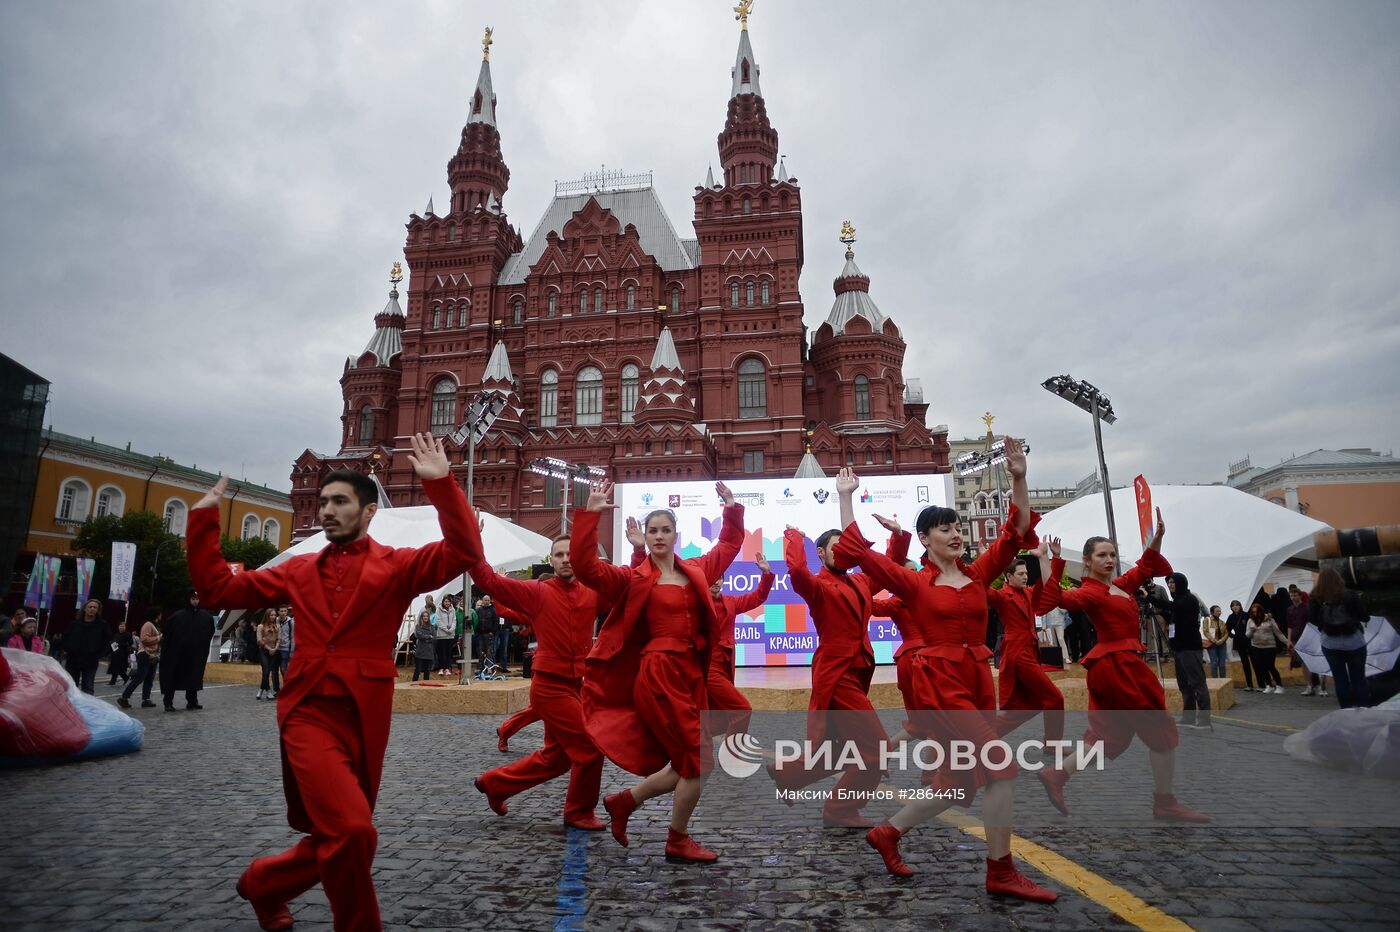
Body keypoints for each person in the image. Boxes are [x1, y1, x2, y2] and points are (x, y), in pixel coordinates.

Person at [185, 433, 471, 932]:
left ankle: (265, 884)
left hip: (365, 714)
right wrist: (205, 518)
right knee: (352, 829)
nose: (328, 511)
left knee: (350, 836)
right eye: (323, 503)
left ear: (368, 512)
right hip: (308, 711)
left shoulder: (398, 566)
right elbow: (217, 589)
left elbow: (464, 551)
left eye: (341, 501)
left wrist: (442, 484)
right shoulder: (298, 570)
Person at [836, 445, 1059, 903]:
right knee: (1002, 766)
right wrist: (846, 498)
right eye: (945, 528)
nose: (956, 534)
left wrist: (1019, 476)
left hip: (978, 676)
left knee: (959, 782)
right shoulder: (912, 582)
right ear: (925, 539)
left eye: (957, 527)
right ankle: (1001, 870)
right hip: (939, 682)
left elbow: (1017, 532)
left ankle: (889, 832)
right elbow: (860, 554)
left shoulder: (978, 575)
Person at [573, 480, 743, 863]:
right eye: (653, 531)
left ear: (676, 534)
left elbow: (729, 545)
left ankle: (624, 802)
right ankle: (676, 839)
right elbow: (586, 568)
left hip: (690, 674)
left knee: (688, 763)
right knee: (699, 761)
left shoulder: (696, 569)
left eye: (666, 530)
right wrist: (591, 514)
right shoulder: (634, 579)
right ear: (645, 537)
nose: (660, 536)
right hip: (658, 674)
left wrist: (731, 508)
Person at [1036, 512, 1209, 825]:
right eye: (1102, 555)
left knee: (1109, 736)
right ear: (1087, 562)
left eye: (1113, 554)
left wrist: (1157, 537)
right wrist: (1052, 562)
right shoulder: (1090, 592)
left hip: (1114, 667)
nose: (1109, 559)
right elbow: (1050, 601)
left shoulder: (1119, 585)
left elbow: (1145, 565)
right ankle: (1165, 802)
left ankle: (1057, 775)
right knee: (1161, 731)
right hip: (1120, 667)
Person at [470, 526, 614, 831]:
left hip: (577, 686)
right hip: (550, 689)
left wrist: (639, 550)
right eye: (559, 555)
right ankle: (578, 812)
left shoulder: (592, 592)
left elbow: (627, 587)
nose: (565, 559)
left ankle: (495, 784)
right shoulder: (537, 591)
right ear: (550, 559)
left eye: (569, 554)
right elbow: (488, 580)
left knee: (557, 758)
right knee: (590, 750)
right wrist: (472, 540)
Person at [770, 513, 888, 828]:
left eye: (846, 548)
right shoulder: (819, 585)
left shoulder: (862, 581)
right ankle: (839, 810)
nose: (842, 552)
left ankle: (789, 772)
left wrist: (900, 536)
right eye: (836, 547)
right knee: (876, 749)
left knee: (844, 749)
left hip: (858, 672)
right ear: (821, 553)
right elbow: (795, 570)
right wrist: (794, 537)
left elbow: (887, 571)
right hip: (837, 676)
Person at [992, 544, 1065, 747]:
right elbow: (980, 587)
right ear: (1009, 576)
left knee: (1034, 704)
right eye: (1021, 573)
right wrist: (988, 558)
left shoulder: (1029, 593)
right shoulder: (1001, 596)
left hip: (1029, 652)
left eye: (1026, 573)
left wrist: (1051, 558)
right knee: (1055, 698)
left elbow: (1049, 584)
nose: (1025, 576)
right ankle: (1053, 744)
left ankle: (986, 737)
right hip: (1018, 654)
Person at [704, 547, 773, 738]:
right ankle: (732, 755)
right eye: (711, 577)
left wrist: (766, 574)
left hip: (725, 668)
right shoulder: (696, 604)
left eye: (719, 578)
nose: (715, 581)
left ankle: (692, 748)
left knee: (716, 720)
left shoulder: (731, 602)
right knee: (742, 710)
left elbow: (758, 597)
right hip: (706, 668)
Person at [1309, 567, 1372, 709]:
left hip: (1330, 643)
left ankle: (1347, 712)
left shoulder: (1316, 597)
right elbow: (1364, 616)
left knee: (1340, 679)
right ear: (1339, 579)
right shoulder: (1349, 595)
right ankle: (1364, 710)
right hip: (1354, 642)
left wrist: (1323, 625)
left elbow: (1311, 618)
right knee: (1358, 678)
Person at [1161, 573, 1212, 729]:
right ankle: (1188, 717)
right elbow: (1172, 615)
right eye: (1168, 582)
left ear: (1180, 583)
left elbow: (1175, 607)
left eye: (1172, 582)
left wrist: (1151, 598)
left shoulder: (1189, 599)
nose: (1170, 585)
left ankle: (1204, 720)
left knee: (1197, 683)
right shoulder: (1178, 601)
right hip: (1179, 648)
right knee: (1184, 684)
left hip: (1190, 648)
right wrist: (1160, 611)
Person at [160, 592, 216, 711]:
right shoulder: (178, 616)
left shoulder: (206, 617)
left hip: (196, 654)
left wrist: (202, 646)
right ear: (188, 599)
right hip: (178, 654)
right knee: (173, 676)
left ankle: (192, 701)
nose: (195, 601)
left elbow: (210, 632)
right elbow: (168, 634)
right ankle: (168, 702)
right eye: (193, 599)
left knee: (194, 676)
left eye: (197, 599)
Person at [64, 599, 111, 695]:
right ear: (85, 609)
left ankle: (88, 709)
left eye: (95, 607)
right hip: (73, 661)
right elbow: (65, 638)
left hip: (91, 661)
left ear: (98, 610)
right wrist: (69, 649)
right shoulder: (75, 624)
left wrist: (99, 653)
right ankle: (71, 709)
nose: (92, 609)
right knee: (71, 687)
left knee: (88, 687)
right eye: (90, 607)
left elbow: (107, 641)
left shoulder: (103, 625)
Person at [118, 609, 162, 709]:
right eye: (160, 614)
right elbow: (144, 639)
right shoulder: (148, 624)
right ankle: (124, 697)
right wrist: (158, 638)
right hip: (145, 654)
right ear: (157, 614)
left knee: (149, 678)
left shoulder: (155, 625)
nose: (161, 616)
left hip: (153, 655)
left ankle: (146, 699)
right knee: (140, 677)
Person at [1287, 588, 1324, 696]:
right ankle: (1309, 685)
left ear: (1300, 596)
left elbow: (1311, 623)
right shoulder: (1289, 609)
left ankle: (1317, 685)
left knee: (1312, 662)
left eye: (1295, 595)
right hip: (1296, 638)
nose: (1293, 598)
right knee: (1303, 663)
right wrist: (1289, 640)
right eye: (1291, 596)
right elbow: (1289, 626)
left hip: (1308, 638)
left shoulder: (1307, 608)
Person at [1246, 603, 1287, 693]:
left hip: (1269, 646)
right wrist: (1252, 630)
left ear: (1261, 611)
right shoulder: (1250, 620)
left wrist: (1286, 642)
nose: (1255, 614)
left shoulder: (1269, 619)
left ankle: (1279, 685)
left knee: (1270, 666)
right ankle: (1269, 684)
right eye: (1253, 612)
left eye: (1257, 612)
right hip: (1256, 646)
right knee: (1261, 666)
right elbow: (1247, 635)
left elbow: (1278, 632)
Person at [1225, 600, 1257, 691]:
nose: (1235, 607)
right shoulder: (1231, 617)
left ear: (1240, 606)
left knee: (1255, 662)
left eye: (1237, 605)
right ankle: (1249, 685)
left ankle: (1261, 683)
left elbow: (1252, 626)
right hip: (1239, 641)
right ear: (1231, 608)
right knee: (1245, 663)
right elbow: (1227, 629)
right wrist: (1233, 636)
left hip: (1249, 640)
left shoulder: (1246, 615)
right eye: (1233, 606)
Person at [257, 613, 282, 700]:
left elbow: (279, 639)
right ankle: (268, 690)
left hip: (274, 651)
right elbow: (259, 640)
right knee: (266, 671)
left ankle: (261, 689)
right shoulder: (261, 626)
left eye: (274, 615)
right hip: (264, 651)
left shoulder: (277, 626)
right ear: (267, 616)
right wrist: (269, 649)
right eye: (271, 615)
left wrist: (275, 648)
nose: (273, 617)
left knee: (269, 671)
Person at [1203, 606, 1229, 679]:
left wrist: (1222, 640)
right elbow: (1206, 632)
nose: (1219, 613)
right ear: (1212, 612)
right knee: (1214, 663)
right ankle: (1215, 681)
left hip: (1222, 644)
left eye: (1220, 611)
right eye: (1217, 611)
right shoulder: (1207, 620)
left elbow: (1226, 633)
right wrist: (1215, 641)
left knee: (1222, 664)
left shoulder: (1222, 622)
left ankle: (1223, 681)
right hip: (1212, 644)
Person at [430, 594, 453, 676]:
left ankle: (447, 668)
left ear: (450, 602)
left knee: (448, 652)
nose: (447, 603)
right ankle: (441, 668)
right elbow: (438, 621)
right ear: (443, 602)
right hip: (441, 635)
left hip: (450, 635)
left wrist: (451, 629)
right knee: (441, 652)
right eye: (445, 601)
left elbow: (454, 621)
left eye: (448, 601)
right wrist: (446, 629)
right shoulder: (438, 610)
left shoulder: (452, 610)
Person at [476, 596, 499, 677]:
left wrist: (493, 632)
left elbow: (496, 622)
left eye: (488, 600)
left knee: (490, 652)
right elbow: (476, 621)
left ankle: (489, 669)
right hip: (480, 634)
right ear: (482, 600)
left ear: (490, 601)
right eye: (485, 600)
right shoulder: (478, 610)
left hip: (489, 634)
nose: (487, 601)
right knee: (480, 652)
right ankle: (480, 668)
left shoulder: (493, 610)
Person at [106, 621, 134, 685]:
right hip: (115, 653)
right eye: (120, 626)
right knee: (114, 668)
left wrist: (121, 644)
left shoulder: (128, 634)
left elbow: (130, 643)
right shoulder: (116, 634)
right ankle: (113, 681)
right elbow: (113, 642)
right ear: (118, 627)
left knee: (121, 669)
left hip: (123, 654)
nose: (121, 627)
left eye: (123, 626)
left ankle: (125, 677)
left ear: (125, 627)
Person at [412, 610, 436, 682]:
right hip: (420, 651)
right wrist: (429, 636)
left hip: (429, 652)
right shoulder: (418, 626)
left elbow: (434, 637)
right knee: (418, 669)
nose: (425, 617)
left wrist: (427, 638)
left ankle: (426, 685)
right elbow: (420, 635)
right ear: (421, 617)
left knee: (427, 670)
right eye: (424, 616)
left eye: (427, 616)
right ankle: (413, 684)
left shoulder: (432, 627)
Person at [276, 606, 294, 676]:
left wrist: (292, 651)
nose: (283, 613)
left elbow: (292, 637)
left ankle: (287, 684)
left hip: (285, 649)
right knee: (274, 670)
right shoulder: (275, 620)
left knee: (283, 669)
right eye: (281, 611)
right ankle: (276, 687)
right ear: (278, 612)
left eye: (285, 611)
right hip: (275, 648)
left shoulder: (291, 623)